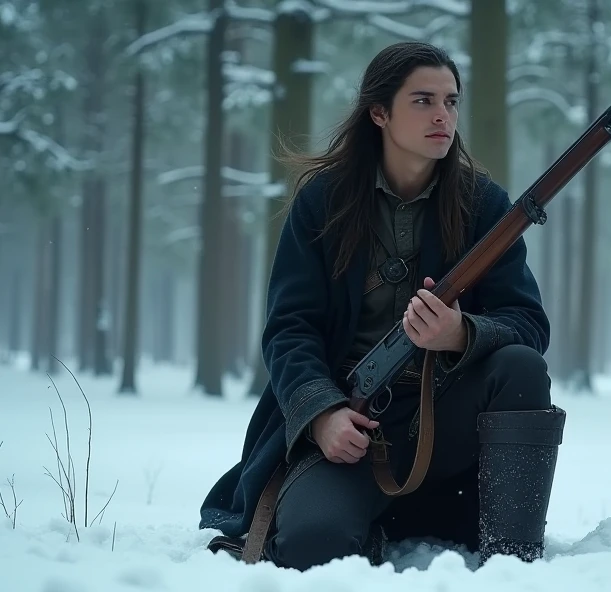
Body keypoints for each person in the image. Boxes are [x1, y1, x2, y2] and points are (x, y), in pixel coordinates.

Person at [200, 41, 566, 571]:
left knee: (520, 367)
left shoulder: (483, 204)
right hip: (350, 428)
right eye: (423, 100)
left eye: (451, 100)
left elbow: (528, 325)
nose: (443, 115)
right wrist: (322, 414)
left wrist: (461, 334)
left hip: (447, 426)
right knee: (312, 545)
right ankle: (373, 517)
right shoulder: (323, 201)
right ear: (379, 112)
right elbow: (289, 328)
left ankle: (512, 562)